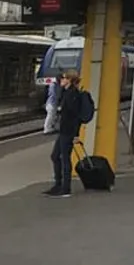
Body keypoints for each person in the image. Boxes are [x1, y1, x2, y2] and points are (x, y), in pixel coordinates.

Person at [44, 70, 86, 198]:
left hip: (68, 132)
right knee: (55, 156)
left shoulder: (73, 95)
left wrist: (76, 134)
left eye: (63, 78)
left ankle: (65, 188)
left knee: (65, 158)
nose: (61, 80)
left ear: (69, 80)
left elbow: (75, 116)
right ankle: (58, 184)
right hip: (63, 130)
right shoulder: (66, 93)